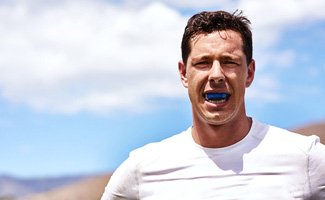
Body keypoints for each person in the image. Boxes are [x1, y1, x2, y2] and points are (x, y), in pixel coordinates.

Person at [101, 10, 325, 199]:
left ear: (249, 73)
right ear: (183, 73)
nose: (216, 75)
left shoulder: (305, 158)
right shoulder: (142, 169)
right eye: (203, 63)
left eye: (229, 62)